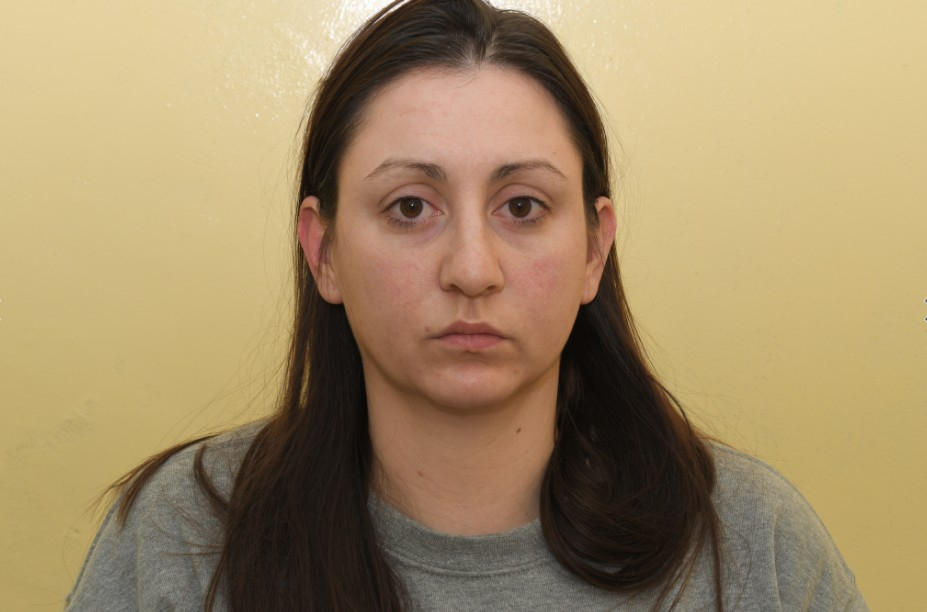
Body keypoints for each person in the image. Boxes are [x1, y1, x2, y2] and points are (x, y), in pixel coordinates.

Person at [66, 0, 867, 610]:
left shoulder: (752, 545)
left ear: (593, 248)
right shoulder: (180, 539)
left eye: (522, 207)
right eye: (410, 207)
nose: (472, 270)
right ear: (325, 251)